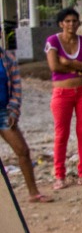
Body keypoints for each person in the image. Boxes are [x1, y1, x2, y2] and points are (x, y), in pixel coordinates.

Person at [44, 7, 82, 189]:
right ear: (61, 24)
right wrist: (77, 69)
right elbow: (54, 67)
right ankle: (59, 174)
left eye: (74, 21)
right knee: (61, 134)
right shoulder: (53, 41)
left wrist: (68, 63)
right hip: (62, 93)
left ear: (79, 23)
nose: (71, 24)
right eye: (67, 21)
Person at [0, 44, 48, 202]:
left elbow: (16, 87)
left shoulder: (8, 58)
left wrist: (14, 110)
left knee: (23, 151)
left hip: (4, 112)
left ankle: (33, 193)